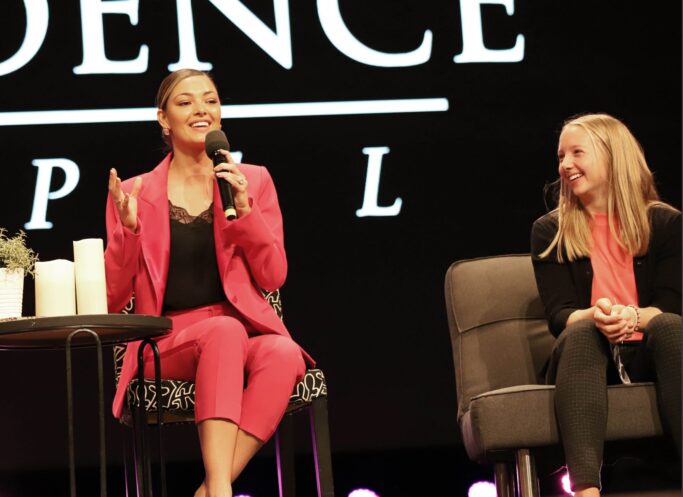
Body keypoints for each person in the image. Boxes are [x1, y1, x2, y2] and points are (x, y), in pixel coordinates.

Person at [104, 68, 313, 497]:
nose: (201, 110)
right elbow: (112, 297)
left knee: (282, 350)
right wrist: (130, 233)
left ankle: (210, 490)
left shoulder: (252, 180)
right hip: (163, 342)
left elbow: (274, 275)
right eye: (185, 102)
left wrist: (246, 214)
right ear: (163, 119)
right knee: (224, 331)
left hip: (235, 329)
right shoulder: (134, 191)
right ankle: (219, 492)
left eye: (210, 100)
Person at [531, 113, 681, 497]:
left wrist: (632, 316)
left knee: (669, 327)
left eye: (577, 152)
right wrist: (598, 316)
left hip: (649, 353)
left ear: (613, 156)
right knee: (581, 331)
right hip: (587, 358)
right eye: (561, 155)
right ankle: (586, 491)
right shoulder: (550, 230)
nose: (565, 164)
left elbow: (671, 305)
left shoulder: (665, 224)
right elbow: (560, 315)